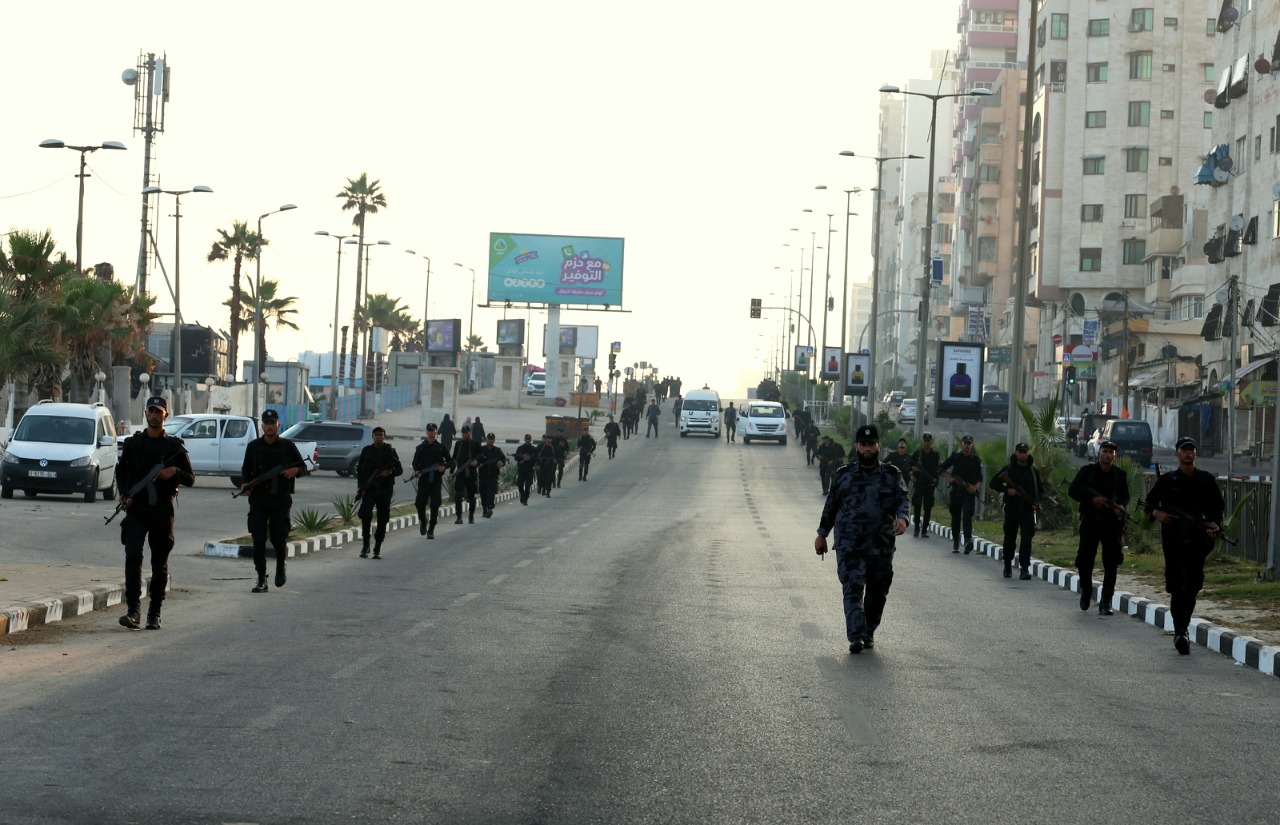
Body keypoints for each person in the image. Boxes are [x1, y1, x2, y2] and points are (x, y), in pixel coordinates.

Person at [814, 425, 910, 654]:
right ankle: (856, 636)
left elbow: (902, 500)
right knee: (853, 587)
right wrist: (822, 534)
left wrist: (903, 519)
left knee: (877, 593)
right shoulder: (843, 475)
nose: (867, 449)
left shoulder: (892, 474)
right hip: (850, 544)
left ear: (878, 446)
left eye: (871, 445)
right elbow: (831, 506)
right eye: (863, 444)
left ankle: (868, 631)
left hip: (881, 545)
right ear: (856, 446)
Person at [114, 396, 196, 630]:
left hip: (162, 509)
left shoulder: (174, 447)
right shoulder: (133, 443)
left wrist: (174, 471)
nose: (154, 415)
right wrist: (124, 494)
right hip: (137, 509)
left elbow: (191, 479)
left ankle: (154, 613)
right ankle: (133, 611)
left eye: (158, 412)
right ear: (145, 414)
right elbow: (121, 472)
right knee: (132, 557)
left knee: (159, 564)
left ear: (165, 416)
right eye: (151, 411)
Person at [1143, 436, 1227, 655]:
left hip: (1199, 540)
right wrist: (1157, 513)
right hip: (1173, 540)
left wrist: (1214, 525)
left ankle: (1183, 626)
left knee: (1192, 584)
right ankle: (1181, 631)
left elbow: (1218, 509)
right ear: (1177, 454)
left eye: (1192, 450)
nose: (1188, 453)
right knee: (1177, 584)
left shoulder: (1206, 480)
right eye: (1184, 450)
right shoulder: (1168, 480)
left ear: (1196, 454)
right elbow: (1148, 504)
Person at [240, 408, 307, 592]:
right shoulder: (254, 446)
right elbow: (245, 469)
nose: (270, 426)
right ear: (262, 426)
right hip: (259, 499)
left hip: (280, 499)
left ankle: (280, 566)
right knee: (258, 538)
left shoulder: (287, 446)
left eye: (273, 423)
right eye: (266, 423)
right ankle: (261, 578)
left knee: (279, 538)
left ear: (278, 425)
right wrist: (245, 484)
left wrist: (295, 471)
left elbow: (303, 467)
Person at [1068, 439, 1129, 614]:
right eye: (1105, 451)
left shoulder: (1120, 475)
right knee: (1085, 561)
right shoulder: (1087, 472)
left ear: (1115, 455)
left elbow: (1124, 497)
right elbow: (1073, 491)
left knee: (1111, 563)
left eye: (1111, 452)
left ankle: (1106, 601)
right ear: (1098, 453)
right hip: (1090, 522)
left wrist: (1121, 507)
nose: (1108, 455)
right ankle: (1086, 591)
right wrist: (1091, 500)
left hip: (1111, 524)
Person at [989, 442, 1043, 580]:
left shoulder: (1033, 471)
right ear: (1016, 453)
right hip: (1012, 509)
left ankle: (1024, 569)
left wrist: (1036, 503)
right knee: (1010, 539)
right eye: (1020, 452)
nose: (1023, 454)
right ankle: (1007, 566)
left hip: (1027, 511)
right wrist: (1008, 490)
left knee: (1026, 540)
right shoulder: (1009, 470)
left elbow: (1039, 490)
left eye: (1025, 452)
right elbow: (993, 483)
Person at [356, 426, 402, 557]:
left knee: (383, 518)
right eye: (376, 434)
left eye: (381, 434)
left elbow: (399, 470)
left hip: (385, 490)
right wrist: (361, 487)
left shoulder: (390, 451)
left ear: (384, 436)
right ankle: (365, 546)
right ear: (372, 436)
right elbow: (360, 471)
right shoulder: (367, 451)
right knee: (365, 515)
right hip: (369, 489)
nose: (378, 437)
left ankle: (377, 547)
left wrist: (389, 472)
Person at [939, 435, 983, 554]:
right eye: (965, 443)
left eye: (969, 443)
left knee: (967, 515)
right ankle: (956, 541)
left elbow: (980, 478)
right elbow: (941, 469)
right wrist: (949, 479)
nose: (967, 445)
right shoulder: (955, 457)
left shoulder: (975, 460)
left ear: (971, 445)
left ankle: (968, 540)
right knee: (956, 517)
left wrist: (975, 487)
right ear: (961, 445)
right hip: (957, 491)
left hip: (969, 492)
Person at [411, 422, 453, 538]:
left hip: (436, 481)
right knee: (419, 503)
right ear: (426, 432)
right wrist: (418, 471)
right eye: (429, 430)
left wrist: (443, 467)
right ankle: (423, 521)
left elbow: (451, 461)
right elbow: (415, 463)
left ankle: (431, 529)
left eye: (433, 430)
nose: (431, 432)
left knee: (435, 504)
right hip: (424, 480)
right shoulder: (420, 448)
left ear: (436, 432)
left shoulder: (441, 447)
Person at [908, 433, 941, 538]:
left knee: (928, 507)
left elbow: (938, 470)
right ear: (923, 442)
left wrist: (936, 480)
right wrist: (914, 468)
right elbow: (908, 466)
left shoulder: (935, 455)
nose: (927, 442)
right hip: (919, 483)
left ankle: (924, 529)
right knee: (917, 505)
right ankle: (917, 527)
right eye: (925, 441)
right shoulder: (917, 454)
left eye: (928, 441)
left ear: (931, 442)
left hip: (929, 484)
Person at [450, 424, 482, 523]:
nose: (465, 435)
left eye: (466, 433)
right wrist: (451, 472)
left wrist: (476, 462)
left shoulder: (475, 444)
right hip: (460, 473)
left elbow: (482, 457)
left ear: (470, 433)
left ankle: (471, 515)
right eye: (463, 433)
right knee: (458, 495)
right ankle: (459, 517)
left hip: (471, 473)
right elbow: (454, 460)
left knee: (471, 497)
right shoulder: (458, 444)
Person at [477, 432, 507, 517]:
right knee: (483, 493)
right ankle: (484, 509)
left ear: (494, 440)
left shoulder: (497, 450)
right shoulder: (481, 449)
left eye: (492, 439)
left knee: (491, 492)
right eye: (489, 439)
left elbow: (503, 458)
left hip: (493, 475)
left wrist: (502, 463)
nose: (490, 440)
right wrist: (478, 464)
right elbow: (476, 459)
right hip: (483, 474)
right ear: (486, 439)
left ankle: (489, 507)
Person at [513, 433, 537, 504]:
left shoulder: (533, 449)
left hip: (529, 469)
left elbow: (536, 458)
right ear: (524, 440)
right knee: (519, 484)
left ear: (531, 440)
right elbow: (516, 458)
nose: (527, 441)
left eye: (529, 440)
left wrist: (529, 458)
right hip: (521, 469)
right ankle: (522, 494)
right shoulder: (520, 448)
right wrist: (522, 457)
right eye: (526, 439)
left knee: (528, 485)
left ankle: (525, 499)